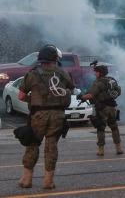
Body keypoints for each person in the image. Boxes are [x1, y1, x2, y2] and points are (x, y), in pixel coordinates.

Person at [17, 44, 74, 189]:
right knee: (51, 147)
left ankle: (27, 180)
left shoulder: (32, 74)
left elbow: (21, 95)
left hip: (39, 115)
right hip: (58, 116)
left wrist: (35, 100)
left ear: (40, 59)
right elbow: (71, 91)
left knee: (33, 144)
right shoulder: (63, 73)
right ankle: (48, 181)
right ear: (55, 58)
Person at [78, 65, 123, 156]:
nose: (95, 73)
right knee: (114, 127)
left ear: (100, 73)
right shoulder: (112, 80)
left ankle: (101, 150)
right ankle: (119, 148)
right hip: (112, 107)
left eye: (96, 72)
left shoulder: (98, 82)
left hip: (102, 108)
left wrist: (81, 97)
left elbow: (91, 95)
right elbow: (118, 91)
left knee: (100, 128)